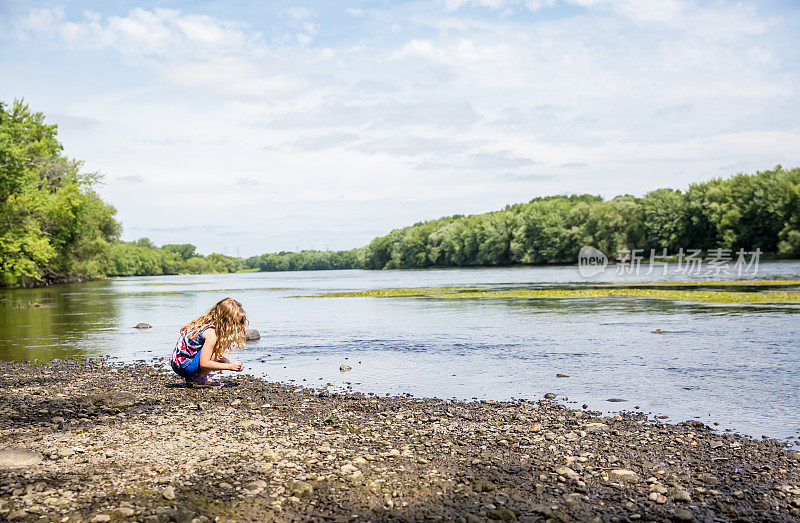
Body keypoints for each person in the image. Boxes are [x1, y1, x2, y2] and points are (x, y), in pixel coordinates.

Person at [170, 297, 246, 387]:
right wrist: (229, 367)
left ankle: (192, 378)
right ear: (225, 320)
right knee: (218, 346)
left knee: (213, 347)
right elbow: (204, 363)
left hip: (177, 365)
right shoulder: (211, 333)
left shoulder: (202, 324)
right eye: (234, 324)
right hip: (186, 368)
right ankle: (200, 379)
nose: (235, 328)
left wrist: (228, 362)